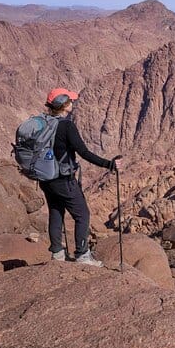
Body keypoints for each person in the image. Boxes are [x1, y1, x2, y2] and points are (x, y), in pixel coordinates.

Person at [40, 87, 121, 266]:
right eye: (70, 101)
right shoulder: (66, 126)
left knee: (55, 212)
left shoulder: (43, 123)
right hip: (63, 178)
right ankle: (83, 255)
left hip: (46, 179)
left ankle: (57, 254)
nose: (73, 103)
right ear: (63, 104)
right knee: (82, 214)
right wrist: (109, 164)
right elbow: (83, 152)